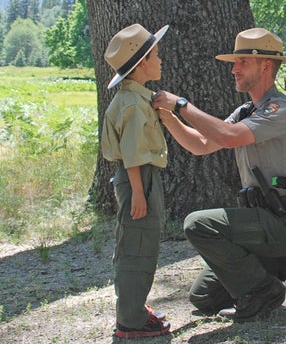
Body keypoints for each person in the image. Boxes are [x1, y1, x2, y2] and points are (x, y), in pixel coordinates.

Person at [152, 27, 286, 321]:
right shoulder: (247, 111)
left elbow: (228, 137)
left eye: (242, 61)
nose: (233, 69)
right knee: (204, 297)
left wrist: (181, 104)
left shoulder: (281, 110)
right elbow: (201, 144)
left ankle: (266, 291)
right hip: (258, 224)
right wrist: (168, 116)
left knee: (196, 224)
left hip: (282, 222)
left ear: (266, 66)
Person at [101, 23, 172, 339]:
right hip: (138, 178)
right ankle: (130, 320)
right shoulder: (132, 104)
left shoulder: (135, 98)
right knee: (138, 245)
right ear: (142, 63)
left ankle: (135, 307)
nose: (160, 60)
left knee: (140, 242)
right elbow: (132, 153)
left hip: (139, 177)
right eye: (156, 55)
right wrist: (140, 194)